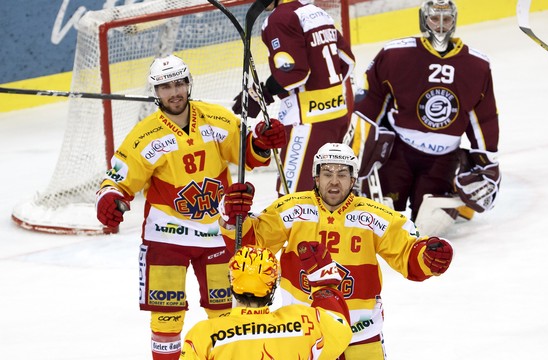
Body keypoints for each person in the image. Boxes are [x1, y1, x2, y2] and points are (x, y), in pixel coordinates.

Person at [95, 54, 286, 360]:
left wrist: (262, 142)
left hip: (216, 235)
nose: (174, 92)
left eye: (179, 83)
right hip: (166, 237)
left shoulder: (218, 119)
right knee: (166, 321)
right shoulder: (144, 135)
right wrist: (109, 198)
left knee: (225, 318)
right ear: (156, 93)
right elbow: (118, 179)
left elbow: (249, 154)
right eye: (165, 86)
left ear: (189, 84)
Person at [218, 143, 454, 359]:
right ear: (316, 178)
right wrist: (232, 218)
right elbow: (252, 248)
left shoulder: (373, 216)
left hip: (360, 333)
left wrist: (427, 258)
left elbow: (407, 251)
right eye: (327, 174)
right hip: (303, 334)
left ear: (353, 180)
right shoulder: (292, 208)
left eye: (342, 174)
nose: (334, 181)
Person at [353, 0, 501, 235]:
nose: (441, 26)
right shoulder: (396, 54)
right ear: (424, 20)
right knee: (379, 219)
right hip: (398, 152)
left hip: (442, 158)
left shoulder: (477, 66)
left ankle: (456, 198)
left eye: (447, 19)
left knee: (431, 226)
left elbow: (483, 119)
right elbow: (371, 100)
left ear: (455, 21)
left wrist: (487, 166)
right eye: (435, 19)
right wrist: (355, 155)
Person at [232, 0, 356, 196]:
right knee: (329, 197)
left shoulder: (280, 18)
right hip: (338, 117)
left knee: (293, 200)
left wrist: (263, 93)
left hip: (307, 124)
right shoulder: (318, 13)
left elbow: (294, 72)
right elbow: (347, 61)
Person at [180, 244, 353, 359]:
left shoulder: (204, 334)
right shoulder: (305, 320)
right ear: (272, 286)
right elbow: (341, 328)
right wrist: (324, 285)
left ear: (232, 282)